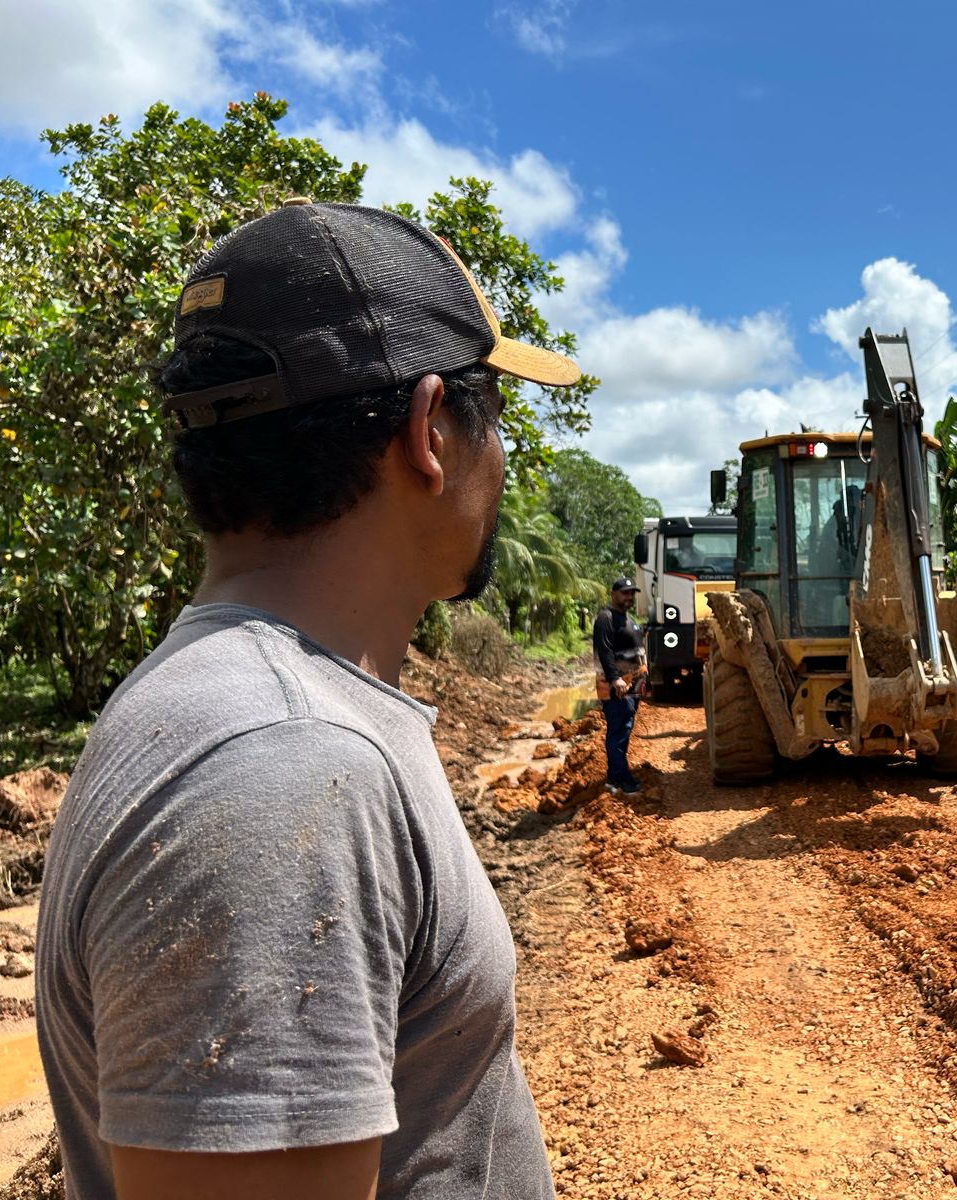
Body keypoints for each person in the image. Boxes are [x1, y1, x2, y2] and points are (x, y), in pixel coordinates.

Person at [35, 199, 582, 1200]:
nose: (500, 460)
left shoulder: (266, 708)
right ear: (429, 433)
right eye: (493, 418)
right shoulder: (282, 762)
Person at [593, 578, 646, 794]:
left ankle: (616, 776)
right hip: (617, 686)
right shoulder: (605, 618)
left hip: (631, 686)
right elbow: (604, 651)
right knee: (618, 731)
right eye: (625, 593)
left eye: (632, 593)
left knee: (624, 729)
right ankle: (619, 778)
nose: (629, 597)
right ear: (613, 593)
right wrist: (615, 678)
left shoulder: (625, 618)